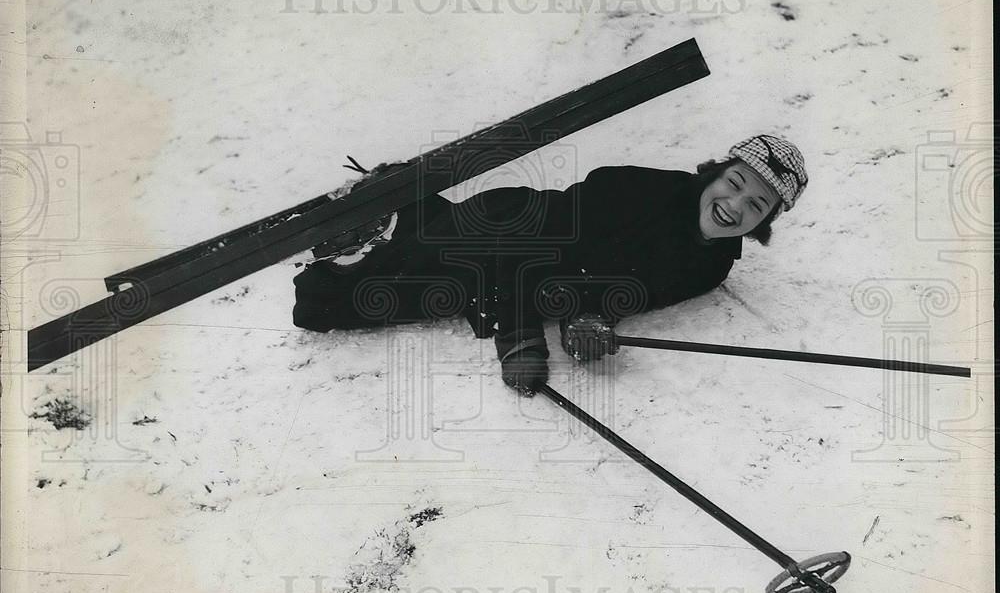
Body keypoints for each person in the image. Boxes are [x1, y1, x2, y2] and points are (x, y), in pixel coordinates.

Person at [292, 134, 809, 396]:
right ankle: (389, 201)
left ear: (763, 224)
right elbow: (537, 252)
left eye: (757, 206)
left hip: (524, 278)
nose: (735, 206)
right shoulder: (642, 192)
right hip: (505, 233)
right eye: (735, 183)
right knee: (322, 302)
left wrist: (597, 317)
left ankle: (404, 210)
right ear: (714, 174)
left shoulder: (712, 265)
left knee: (346, 303)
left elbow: (632, 291)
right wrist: (519, 337)